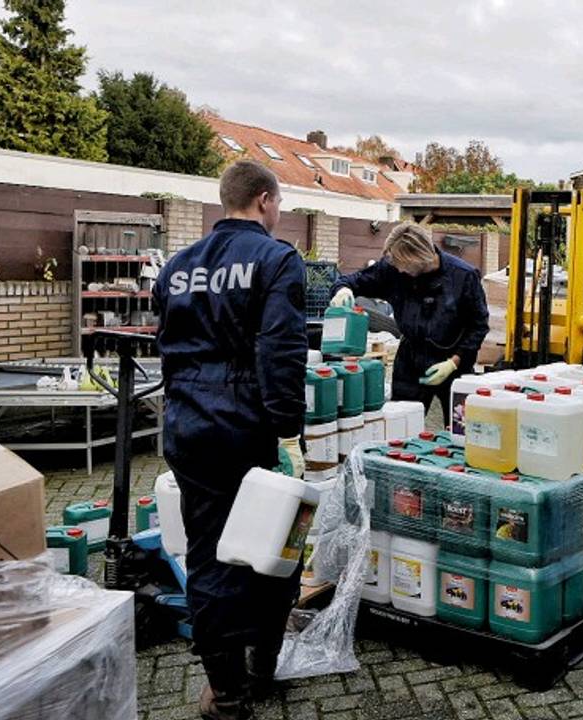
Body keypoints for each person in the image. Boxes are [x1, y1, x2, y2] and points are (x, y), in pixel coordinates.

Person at [153, 160, 308, 720]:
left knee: (209, 553)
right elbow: (281, 351)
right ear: (264, 200)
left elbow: (168, 344)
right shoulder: (276, 259)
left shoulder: (176, 266)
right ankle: (257, 670)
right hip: (245, 426)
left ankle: (226, 689)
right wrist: (286, 422)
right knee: (273, 543)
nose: (280, 211)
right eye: (281, 202)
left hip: (189, 426)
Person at [330, 222, 489, 423]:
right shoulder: (392, 270)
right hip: (411, 359)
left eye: (401, 264)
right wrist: (343, 290)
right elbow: (350, 281)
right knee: (401, 424)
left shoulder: (463, 277)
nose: (399, 269)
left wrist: (454, 362)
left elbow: (479, 325)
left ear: (418, 257)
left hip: (453, 361)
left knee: (462, 427)